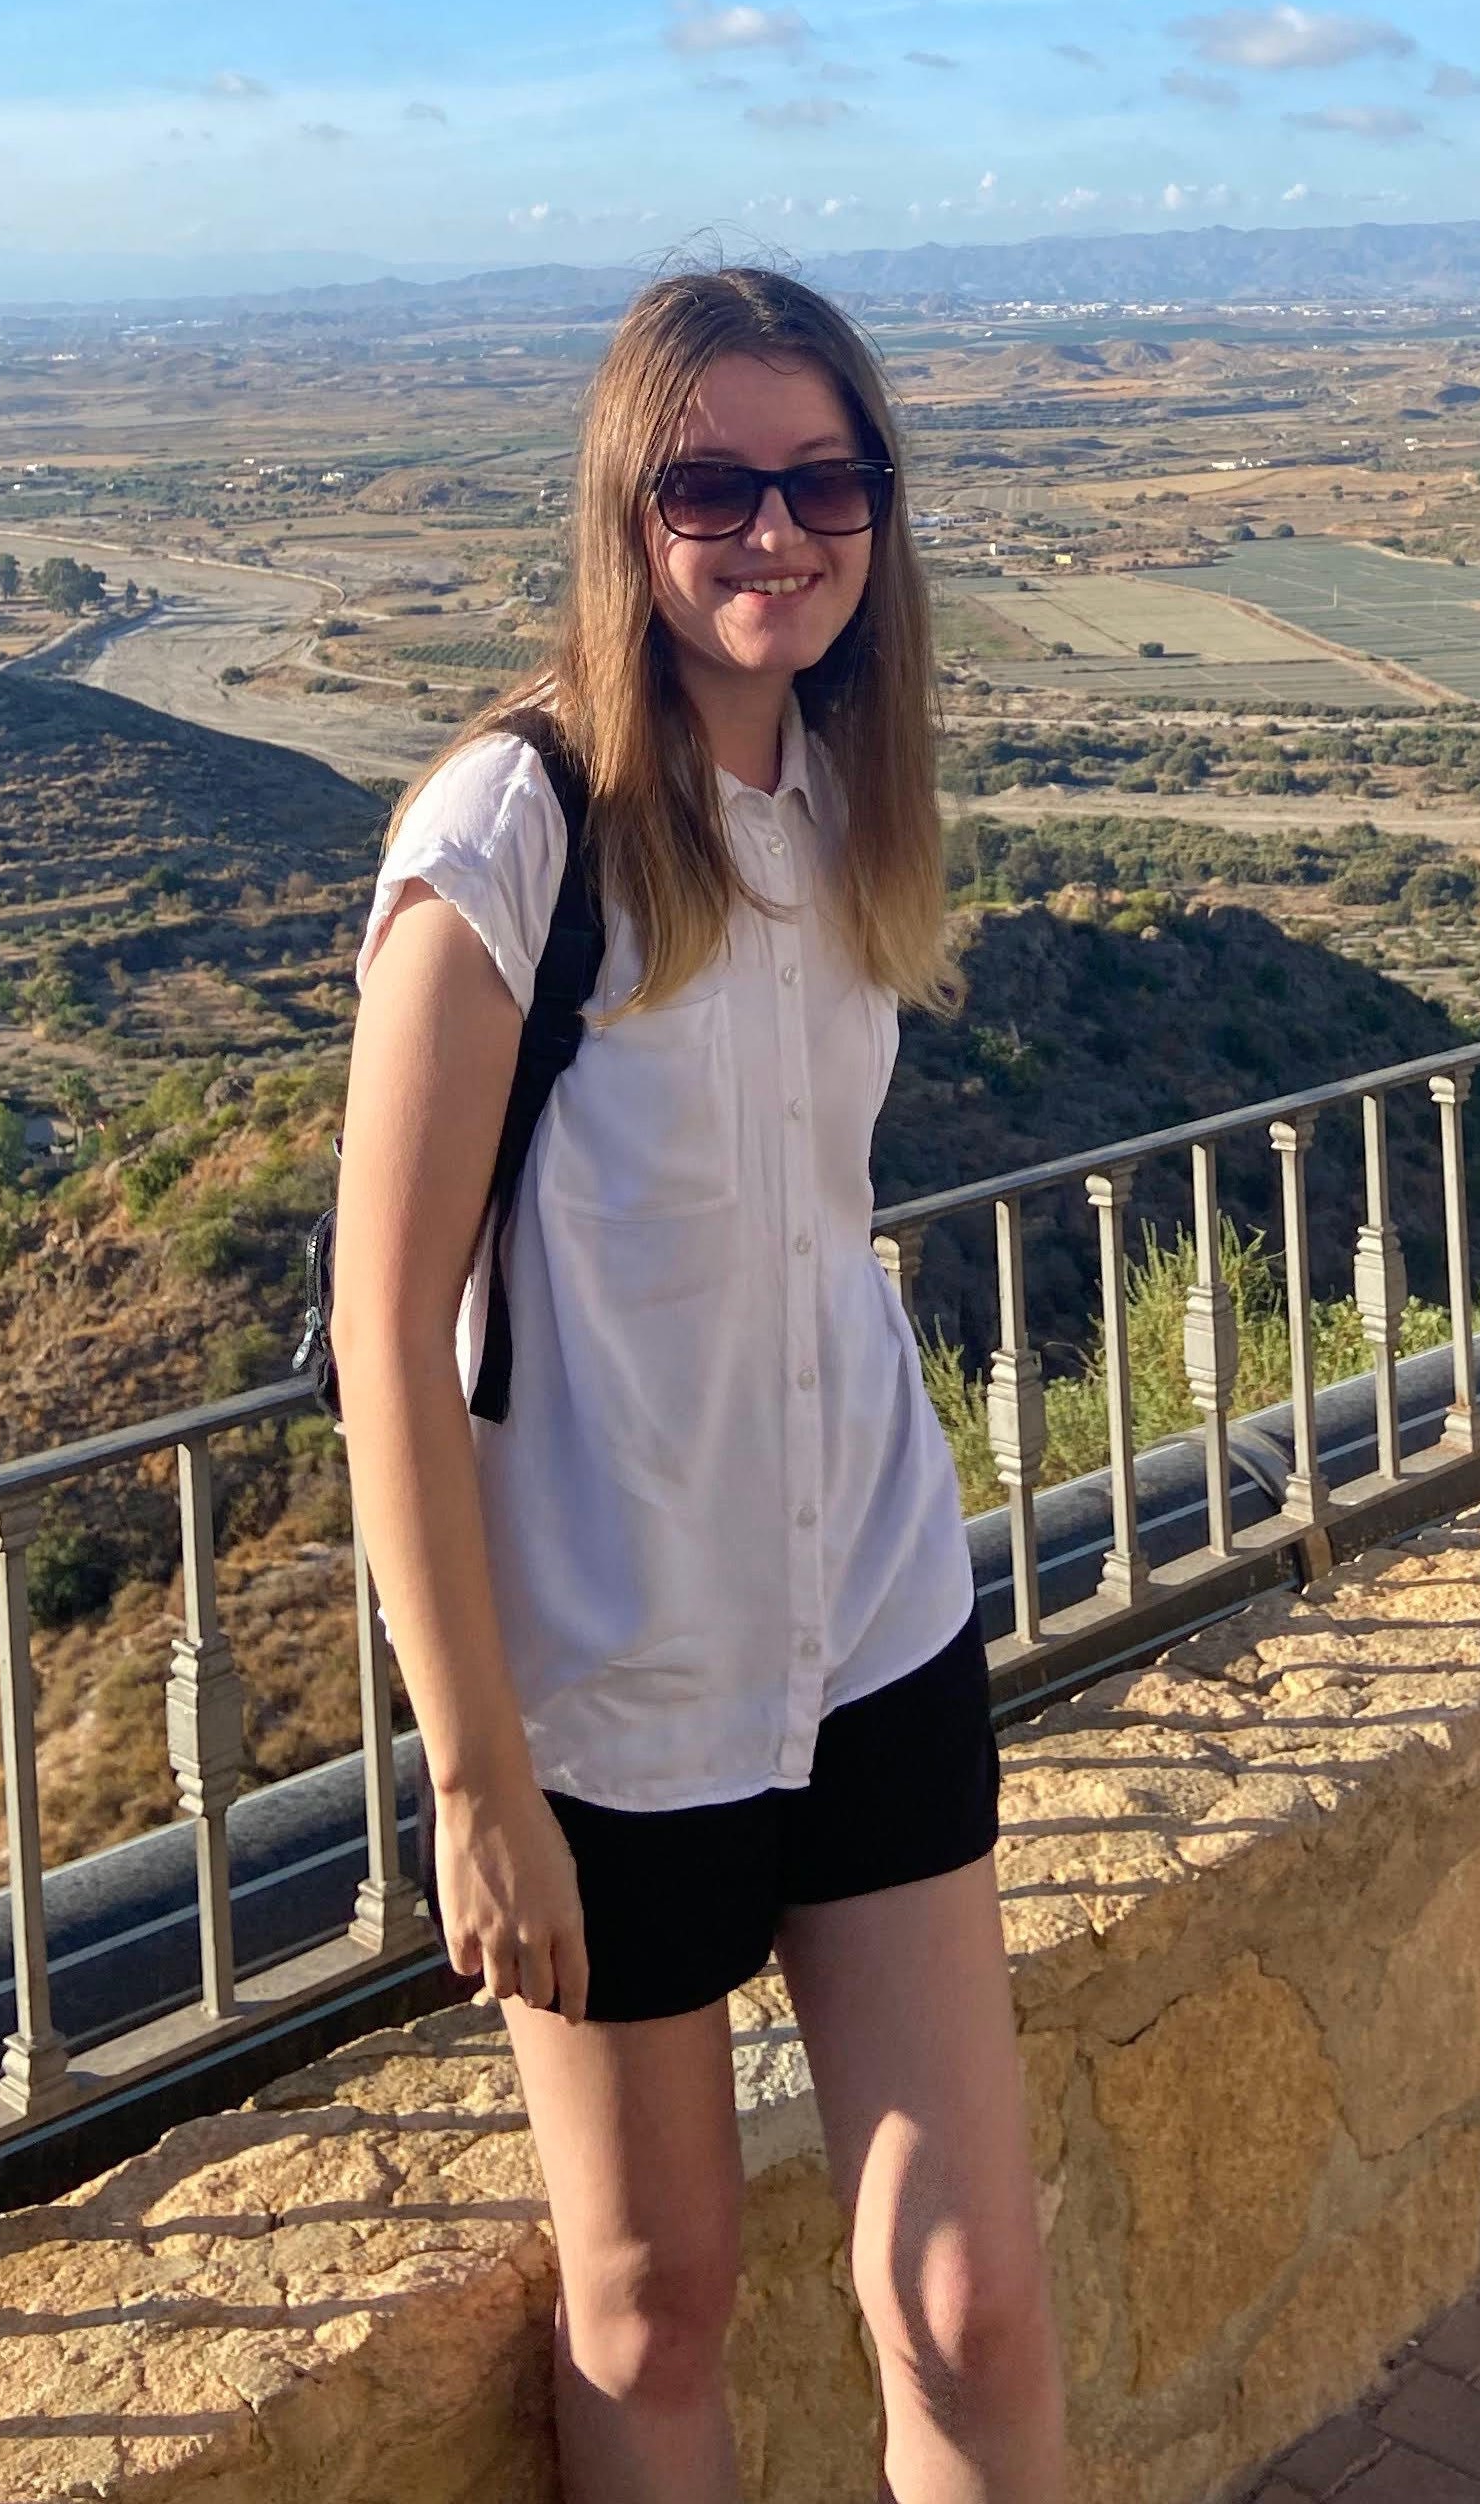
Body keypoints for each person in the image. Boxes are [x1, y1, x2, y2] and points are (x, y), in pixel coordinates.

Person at [331, 266, 1064, 2504]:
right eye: (714, 484)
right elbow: (381, 1323)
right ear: (627, 513)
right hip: (616, 1693)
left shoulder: (845, 799)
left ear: (880, 508)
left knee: (972, 2294)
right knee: (652, 2301)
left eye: (824, 477)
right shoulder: (507, 838)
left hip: (867, 1617)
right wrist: (475, 1778)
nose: (777, 530)